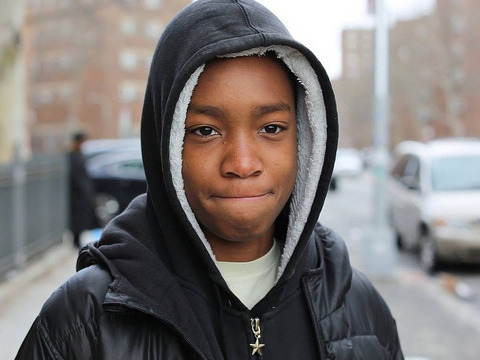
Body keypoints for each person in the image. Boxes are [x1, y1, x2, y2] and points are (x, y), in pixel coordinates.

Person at [16, 0, 404, 358]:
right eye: (205, 131)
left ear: (304, 138)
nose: (242, 163)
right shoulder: (81, 323)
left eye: (271, 128)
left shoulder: (359, 309)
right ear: (164, 145)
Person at [68, 131, 96, 248]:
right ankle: (75, 240)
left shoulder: (78, 155)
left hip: (81, 193)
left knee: (80, 219)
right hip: (77, 193)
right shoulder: (73, 156)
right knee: (77, 219)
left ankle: (77, 239)